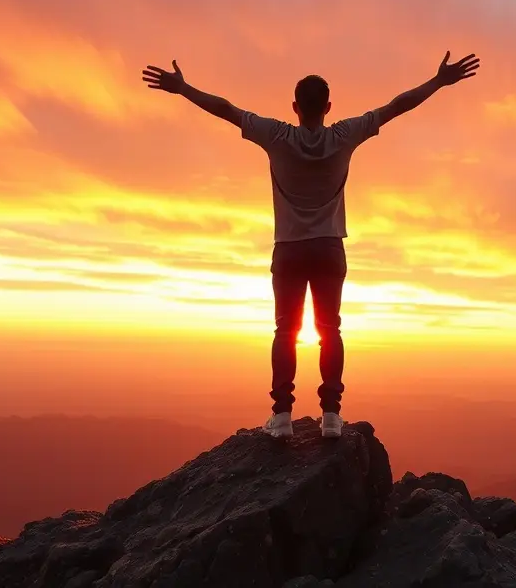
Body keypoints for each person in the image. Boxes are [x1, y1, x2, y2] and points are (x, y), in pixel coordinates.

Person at [142, 51, 480, 438]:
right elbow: (396, 106)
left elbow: (226, 109)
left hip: (289, 248)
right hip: (329, 248)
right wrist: (438, 82)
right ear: (328, 107)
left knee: (286, 330)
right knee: (329, 329)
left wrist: (183, 88)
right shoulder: (344, 135)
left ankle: (282, 416)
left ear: (295, 107)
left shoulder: (276, 135)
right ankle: (331, 416)